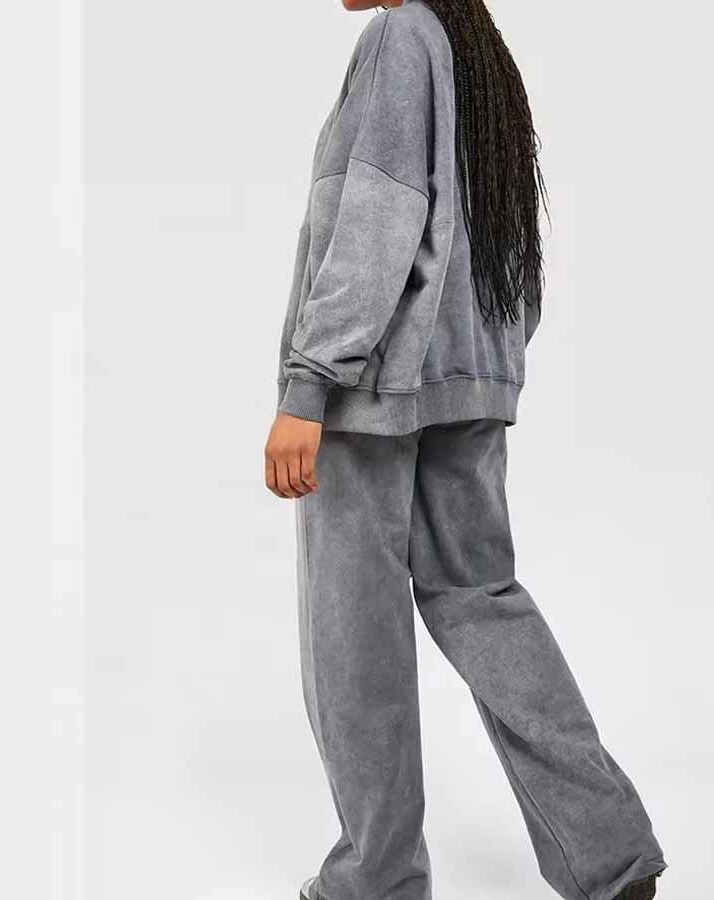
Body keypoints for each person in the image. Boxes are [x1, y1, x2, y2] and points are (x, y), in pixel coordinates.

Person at [265, 2, 667, 899]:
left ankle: (378, 880)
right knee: (483, 601)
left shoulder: (396, 38)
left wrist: (309, 384)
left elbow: (375, 219)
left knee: (354, 631)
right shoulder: (477, 52)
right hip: (468, 382)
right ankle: (611, 857)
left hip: (369, 392)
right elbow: (515, 250)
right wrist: (487, 365)